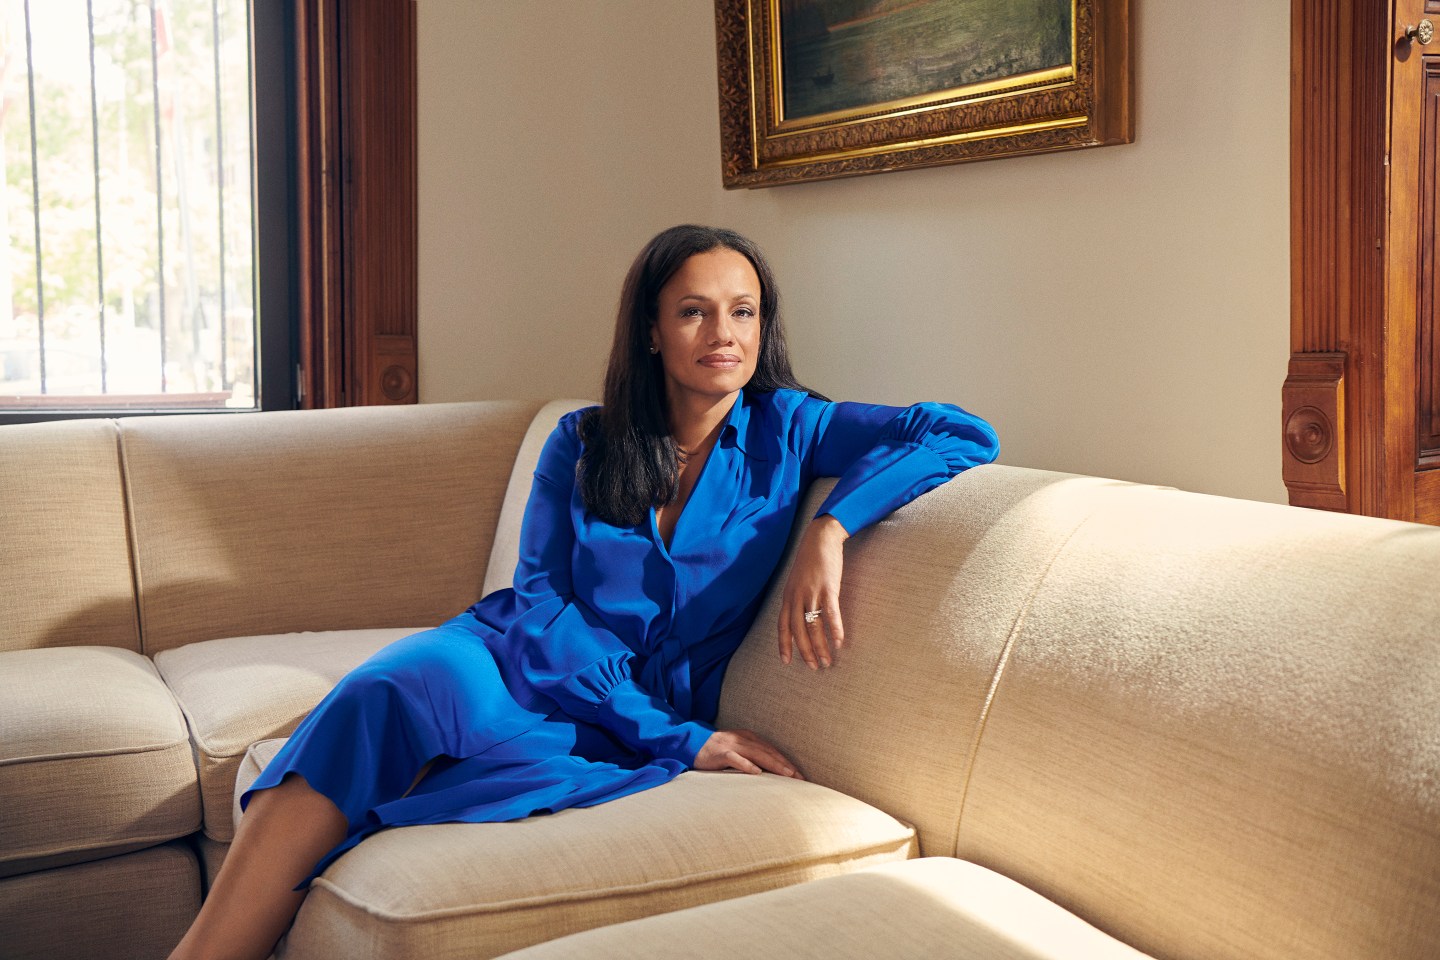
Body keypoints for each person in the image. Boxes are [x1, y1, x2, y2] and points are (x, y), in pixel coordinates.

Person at [167, 224, 999, 960]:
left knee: (399, 758)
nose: (724, 334)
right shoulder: (586, 440)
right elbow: (538, 602)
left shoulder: (794, 428)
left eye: (744, 311)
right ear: (650, 330)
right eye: (694, 311)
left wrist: (831, 528)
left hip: (612, 710)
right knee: (385, 690)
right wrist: (675, 739)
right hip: (515, 655)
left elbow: (962, 432)